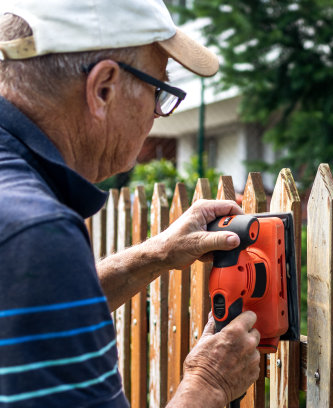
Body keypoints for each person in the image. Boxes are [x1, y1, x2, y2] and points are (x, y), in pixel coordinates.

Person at [0, 0, 261, 407]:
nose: (159, 114)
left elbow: (30, 313)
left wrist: (158, 254)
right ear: (103, 88)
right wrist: (208, 385)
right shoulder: (34, 231)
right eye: (158, 89)